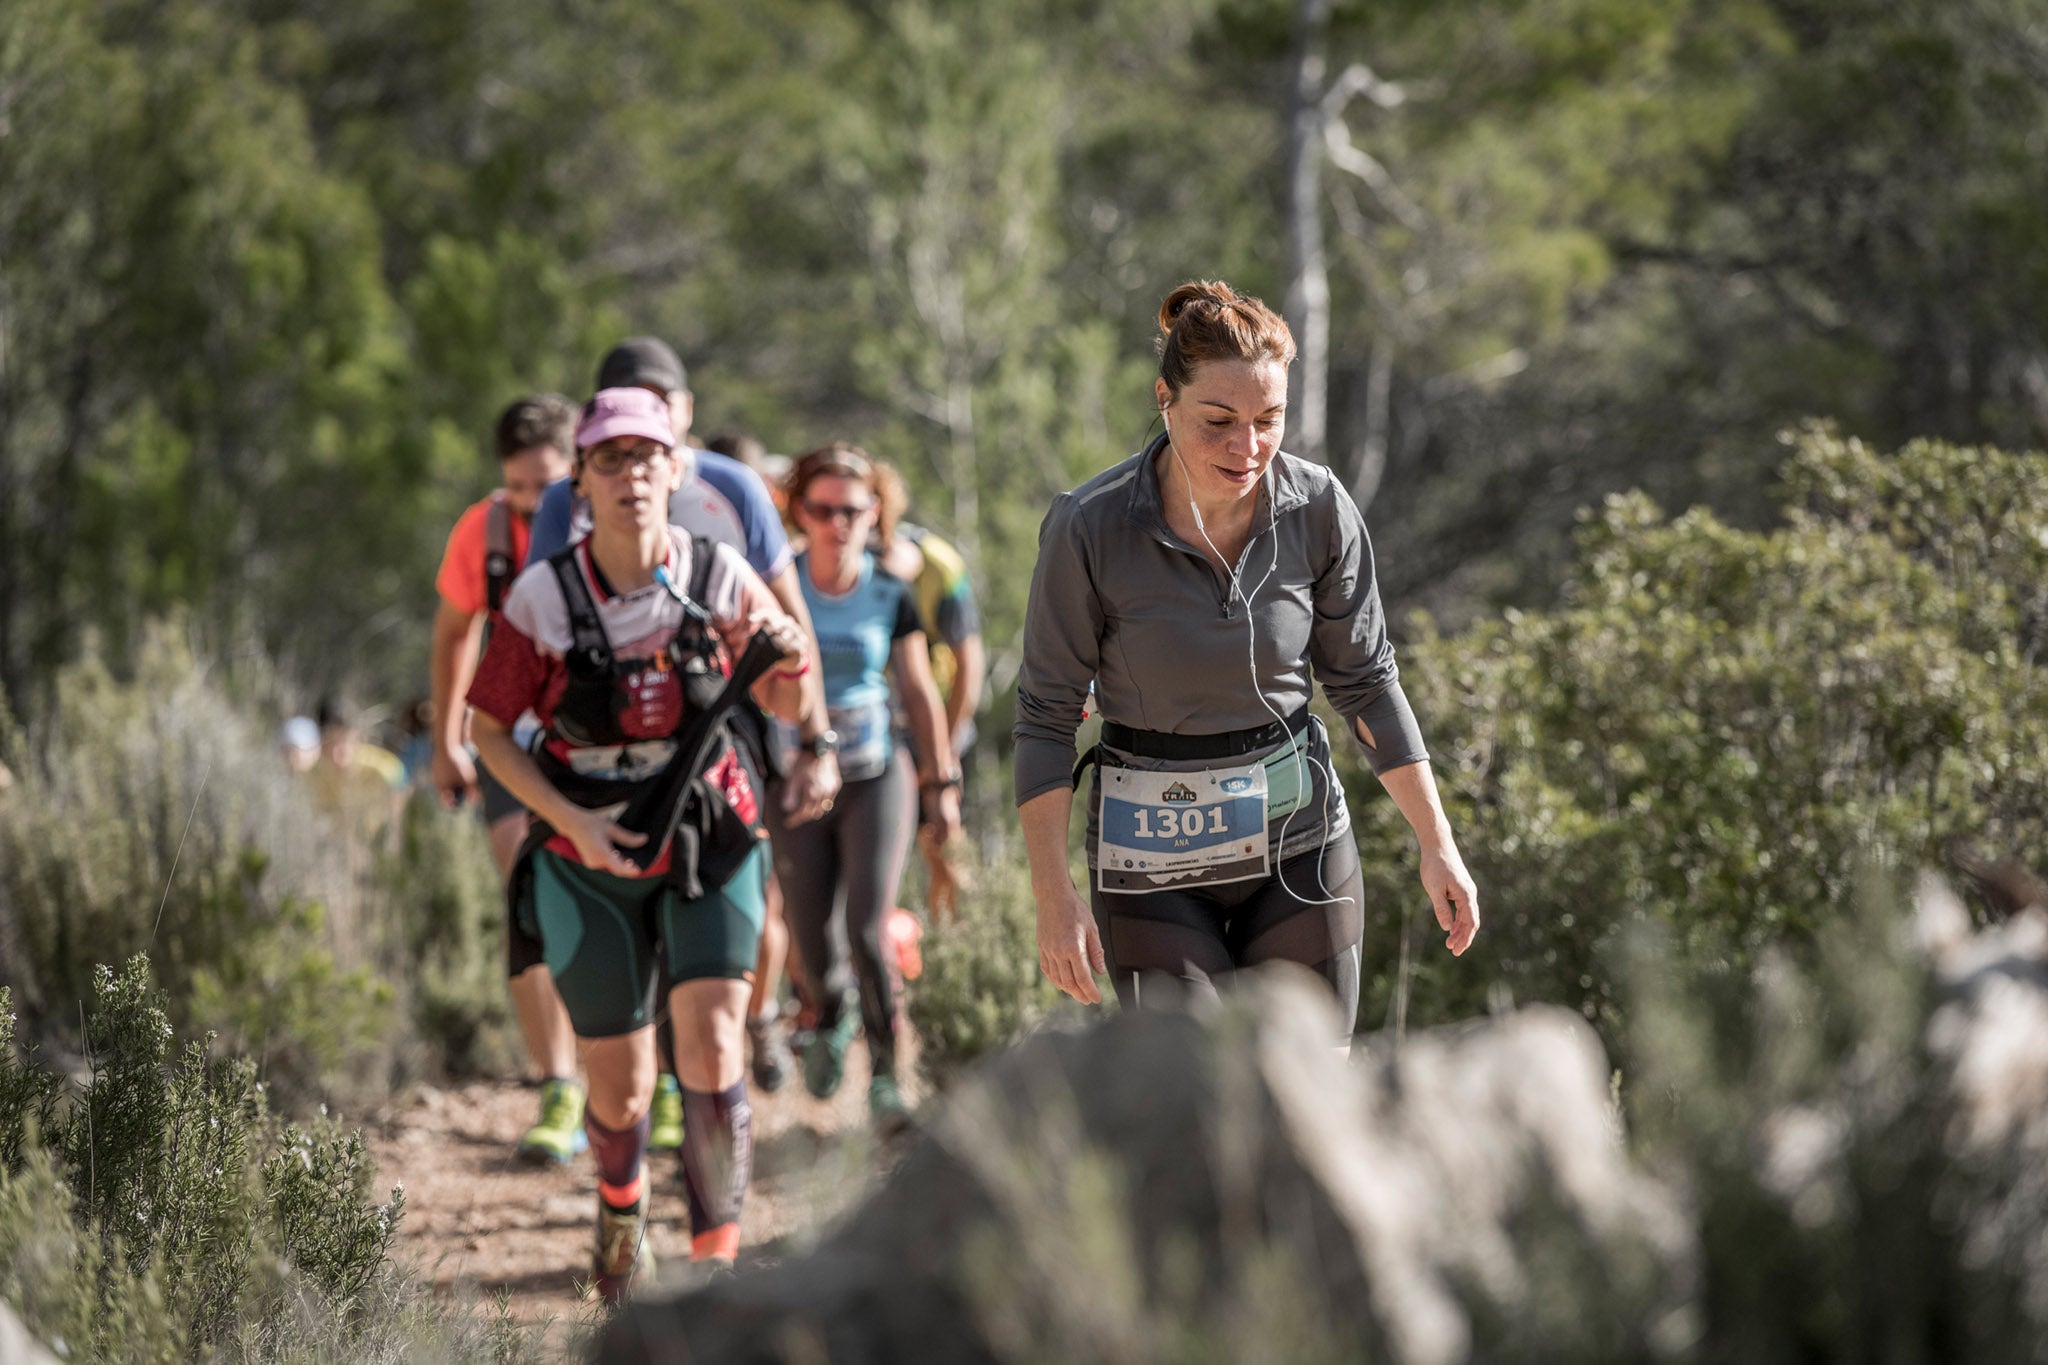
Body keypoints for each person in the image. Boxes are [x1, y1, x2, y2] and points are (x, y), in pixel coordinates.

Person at [1014, 280, 1480, 1032]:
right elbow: (1044, 719)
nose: (1249, 446)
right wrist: (1053, 894)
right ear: (1165, 399)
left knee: (1312, 1095)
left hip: (1300, 844)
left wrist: (1438, 844)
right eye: (1219, 421)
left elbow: (1366, 685)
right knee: (1195, 1103)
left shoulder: (1319, 507)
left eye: (1270, 420)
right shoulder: (1088, 527)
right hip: (1149, 866)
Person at [467, 386, 810, 1299]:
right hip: (588, 860)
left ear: (676, 468)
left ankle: (716, 1269)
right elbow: (487, 727)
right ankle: (621, 1206)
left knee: (712, 1044)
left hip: (710, 836)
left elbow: (791, 702)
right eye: (609, 459)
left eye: (647, 456)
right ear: (580, 480)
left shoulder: (722, 575)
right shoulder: (545, 595)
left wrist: (784, 657)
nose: (631, 475)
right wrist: (570, 818)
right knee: (617, 1091)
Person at [529, 342, 839, 1121]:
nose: (637, 448)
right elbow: (539, 622)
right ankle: (659, 1084)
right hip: (607, 745)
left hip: (730, 720)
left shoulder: (733, 487)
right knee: (630, 912)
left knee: (741, 897)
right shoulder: (568, 501)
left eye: (660, 408)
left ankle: (735, 1033)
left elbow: (787, 616)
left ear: (685, 413)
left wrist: (817, 738)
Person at [765, 442, 961, 1130]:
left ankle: (884, 1072)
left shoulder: (889, 590)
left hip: (877, 773)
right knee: (811, 935)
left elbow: (915, 688)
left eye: (851, 509)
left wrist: (943, 784)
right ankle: (830, 1010)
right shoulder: (777, 581)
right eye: (821, 508)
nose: (836, 522)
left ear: (873, 512)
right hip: (796, 779)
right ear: (800, 511)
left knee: (870, 927)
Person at [427, 394, 587, 1164]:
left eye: (546, 483)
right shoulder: (482, 532)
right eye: (518, 486)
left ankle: (651, 1080)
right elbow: (455, 632)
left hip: (599, 737)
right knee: (530, 900)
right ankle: (558, 1086)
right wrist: (447, 738)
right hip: (510, 738)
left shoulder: (608, 518)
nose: (533, 502)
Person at [876, 483, 985, 923]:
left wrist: (945, 750)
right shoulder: (839, 558)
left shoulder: (941, 566)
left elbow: (970, 667)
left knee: (945, 840)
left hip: (940, 721)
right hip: (875, 729)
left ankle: (961, 944)